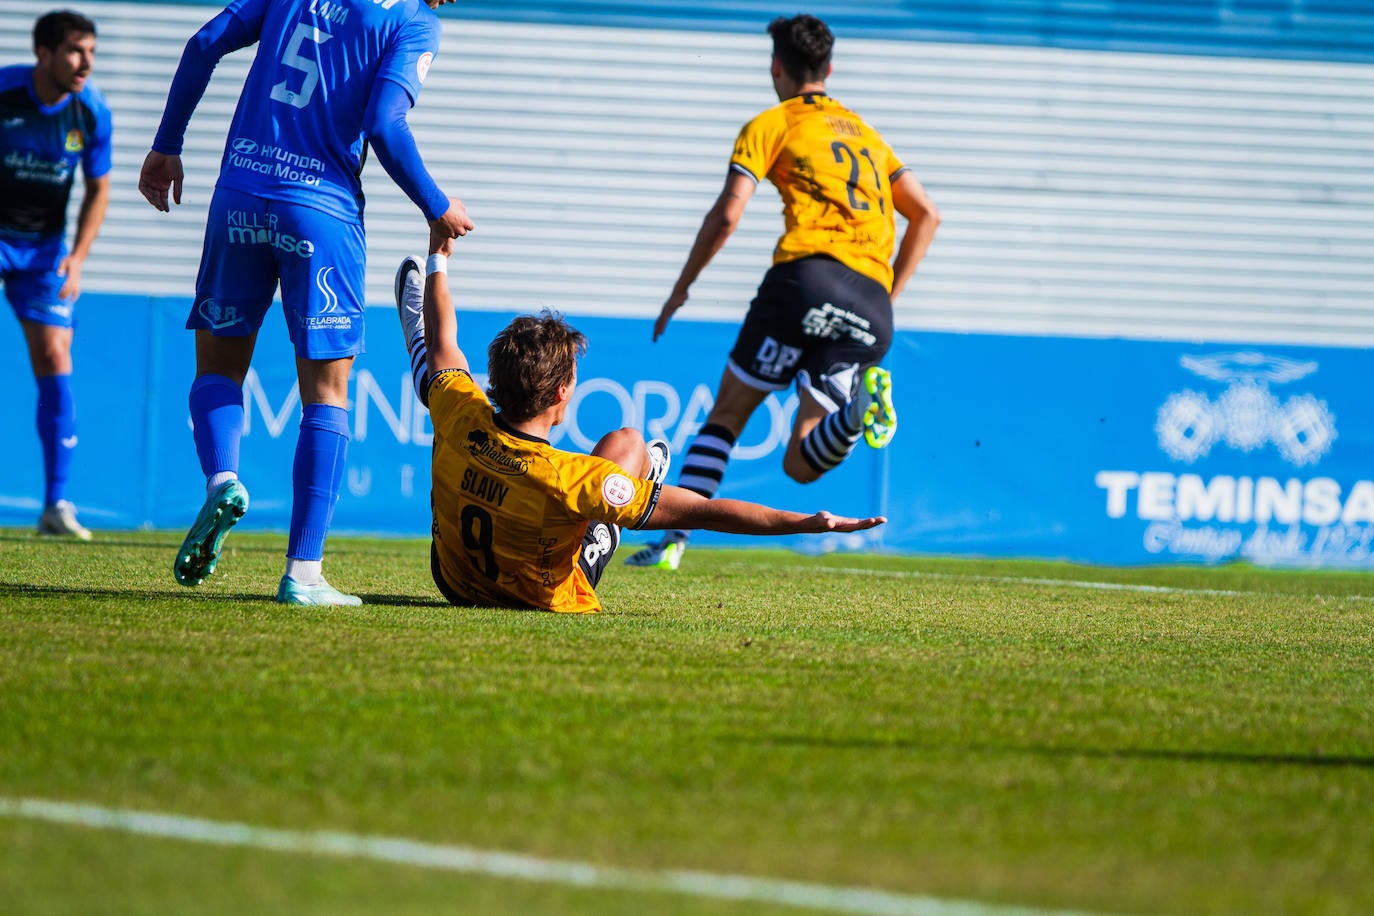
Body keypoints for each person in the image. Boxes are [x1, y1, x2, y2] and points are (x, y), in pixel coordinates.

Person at [138, 0, 473, 605]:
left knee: (217, 369)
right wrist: (435, 202)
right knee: (327, 394)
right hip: (320, 211)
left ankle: (223, 477)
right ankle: (304, 573)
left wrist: (166, 145)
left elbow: (203, 43)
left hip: (238, 192)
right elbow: (384, 122)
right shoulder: (414, 22)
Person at [393, 245, 887, 614]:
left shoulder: (461, 415)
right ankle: (639, 482)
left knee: (434, 373)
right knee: (627, 451)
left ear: (495, 381)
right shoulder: (571, 480)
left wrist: (438, 256)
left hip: (454, 583)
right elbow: (705, 511)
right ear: (563, 393)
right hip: (541, 597)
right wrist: (804, 522)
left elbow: (440, 340)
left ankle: (636, 480)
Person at [626, 14, 941, 571]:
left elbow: (728, 214)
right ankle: (856, 412)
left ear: (776, 67)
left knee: (726, 416)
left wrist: (681, 289)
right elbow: (927, 214)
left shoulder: (771, 124)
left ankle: (672, 543)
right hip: (871, 302)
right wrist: (887, 295)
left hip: (806, 278)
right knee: (801, 462)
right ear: (830, 68)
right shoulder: (867, 136)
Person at [1, 9, 111, 540]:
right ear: (42, 53)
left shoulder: (90, 111)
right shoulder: (5, 93)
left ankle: (55, 506)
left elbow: (99, 188)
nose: (85, 62)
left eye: (90, 50)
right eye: (74, 50)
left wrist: (79, 256)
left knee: (55, 355)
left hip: (44, 253)